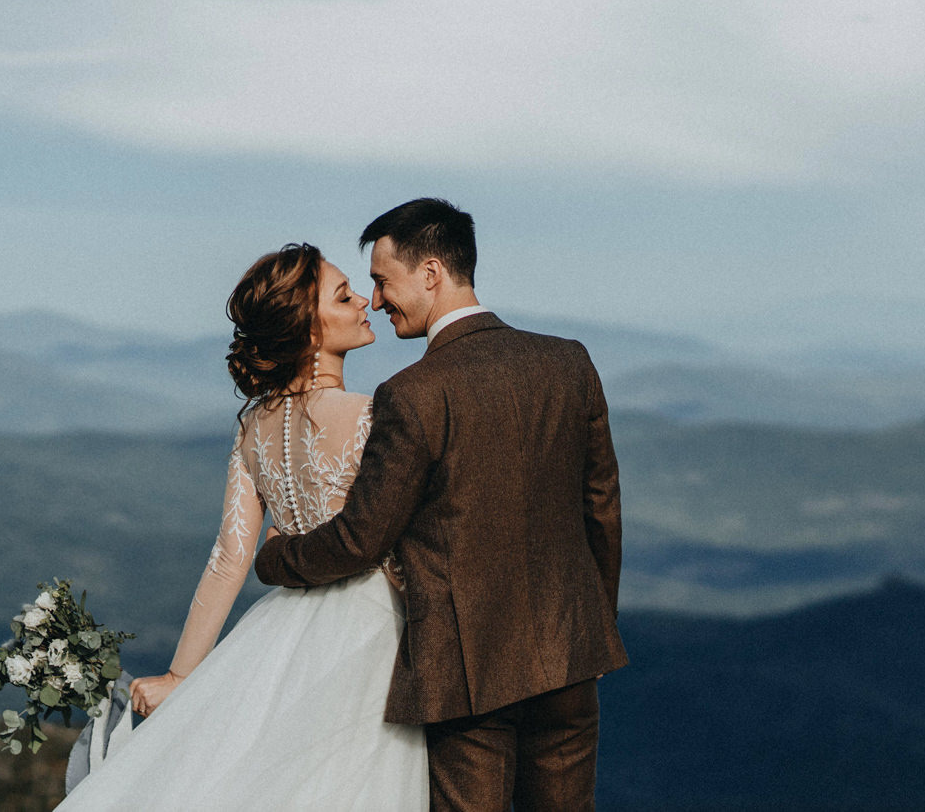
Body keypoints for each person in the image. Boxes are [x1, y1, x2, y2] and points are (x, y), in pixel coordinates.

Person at [256, 198, 627, 812]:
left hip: (468, 676)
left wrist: (277, 559)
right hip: (569, 659)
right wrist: (589, 630)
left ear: (430, 273)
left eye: (381, 280)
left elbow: (359, 540)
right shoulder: (570, 362)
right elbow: (602, 513)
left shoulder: (412, 394)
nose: (375, 300)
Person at [57, 242, 429, 811]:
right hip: (372, 635)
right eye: (344, 295)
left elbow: (229, 559)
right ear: (308, 332)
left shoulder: (252, 427)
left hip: (281, 631)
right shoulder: (371, 415)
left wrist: (182, 675)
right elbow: (398, 544)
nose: (365, 303)